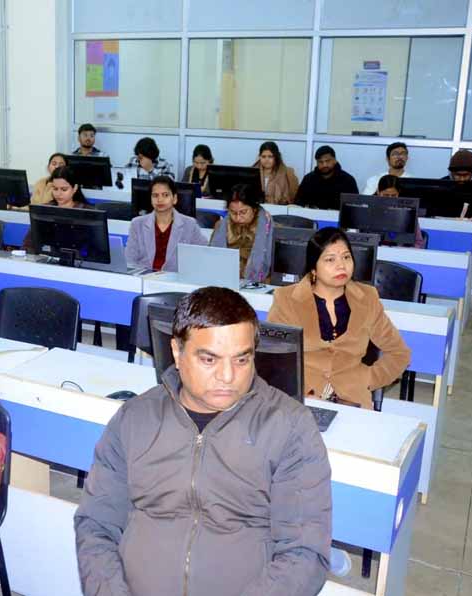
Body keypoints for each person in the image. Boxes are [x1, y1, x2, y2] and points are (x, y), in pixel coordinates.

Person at [75, 286, 332, 596]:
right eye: (209, 359)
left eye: (241, 360)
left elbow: (304, 554)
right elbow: (96, 525)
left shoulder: (290, 427)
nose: (227, 376)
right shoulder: (134, 418)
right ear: (176, 351)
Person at [267, 227, 411, 410]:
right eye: (330, 259)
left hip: (353, 398)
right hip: (300, 399)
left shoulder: (367, 298)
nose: (341, 265)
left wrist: (367, 379)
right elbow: (273, 358)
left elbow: (399, 353)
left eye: (346, 257)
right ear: (313, 268)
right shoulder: (287, 299)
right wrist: (301, 393)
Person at [125, 176, 207, 272]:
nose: (160, 199)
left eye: (165, 195)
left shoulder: (190, 225)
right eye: (155, 195)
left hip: (175, 278)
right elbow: (129, 260)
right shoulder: (137, 224)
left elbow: (202, 256)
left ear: (174, 198)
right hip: (143, 276)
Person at [210, 184, 274, 282]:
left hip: (260, 283)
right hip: (225, 279)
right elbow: (212, 257)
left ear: (254, 209)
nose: (238, 218)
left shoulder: (267, 228)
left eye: (243, 212)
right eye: (233, 213)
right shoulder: (221, 226)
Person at [21, 165, 94, 251]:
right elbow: (28, 244)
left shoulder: (87, 212)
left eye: (64, 189)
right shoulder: (44, 210)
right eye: (55, 189)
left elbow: (94, 248)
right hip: (47, 257)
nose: (58, 194)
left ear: (75, 188)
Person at [295, 145, 359, 210]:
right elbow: (298, 203)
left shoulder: (348, 180)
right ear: (316, 163)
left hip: (339, 216)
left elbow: (355, 207)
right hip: (312, 216)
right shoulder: (308, 179)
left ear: (334, 160)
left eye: (328, 161)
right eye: (320, 162)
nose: (324, 165)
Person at [375, 175, 425, 249]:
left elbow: (419, 243)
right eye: (386, 195)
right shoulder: (369, 210)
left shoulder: (408, 213)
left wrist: (403, 251)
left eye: (393, 195)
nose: (390, 199)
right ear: (378, 192)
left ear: (398, 193)